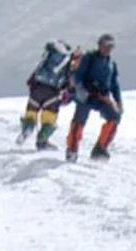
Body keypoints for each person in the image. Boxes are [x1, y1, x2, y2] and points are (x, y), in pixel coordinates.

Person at [67, 33, 124, 162]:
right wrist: (84, 89)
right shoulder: (89, 58)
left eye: (111, 46)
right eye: (106, 45)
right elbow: (78, 76)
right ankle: (72, 150)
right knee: (79, 122)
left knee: (114, 117)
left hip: (101, 97)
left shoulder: (112, 64)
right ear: (100, 45)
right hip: (86, 96)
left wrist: (118, 102)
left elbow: (115, 85)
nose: (108, 48)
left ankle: (100, 149)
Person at [18, 40, 79, 150]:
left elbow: (34, 75)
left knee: (31, 115)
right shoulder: (68, 62)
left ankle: (28, 128)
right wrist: (71, 92)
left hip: (37, 90)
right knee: (49, 120)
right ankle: (42, 141)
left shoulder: (48, 58)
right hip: (53, 94)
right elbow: (71, 81)